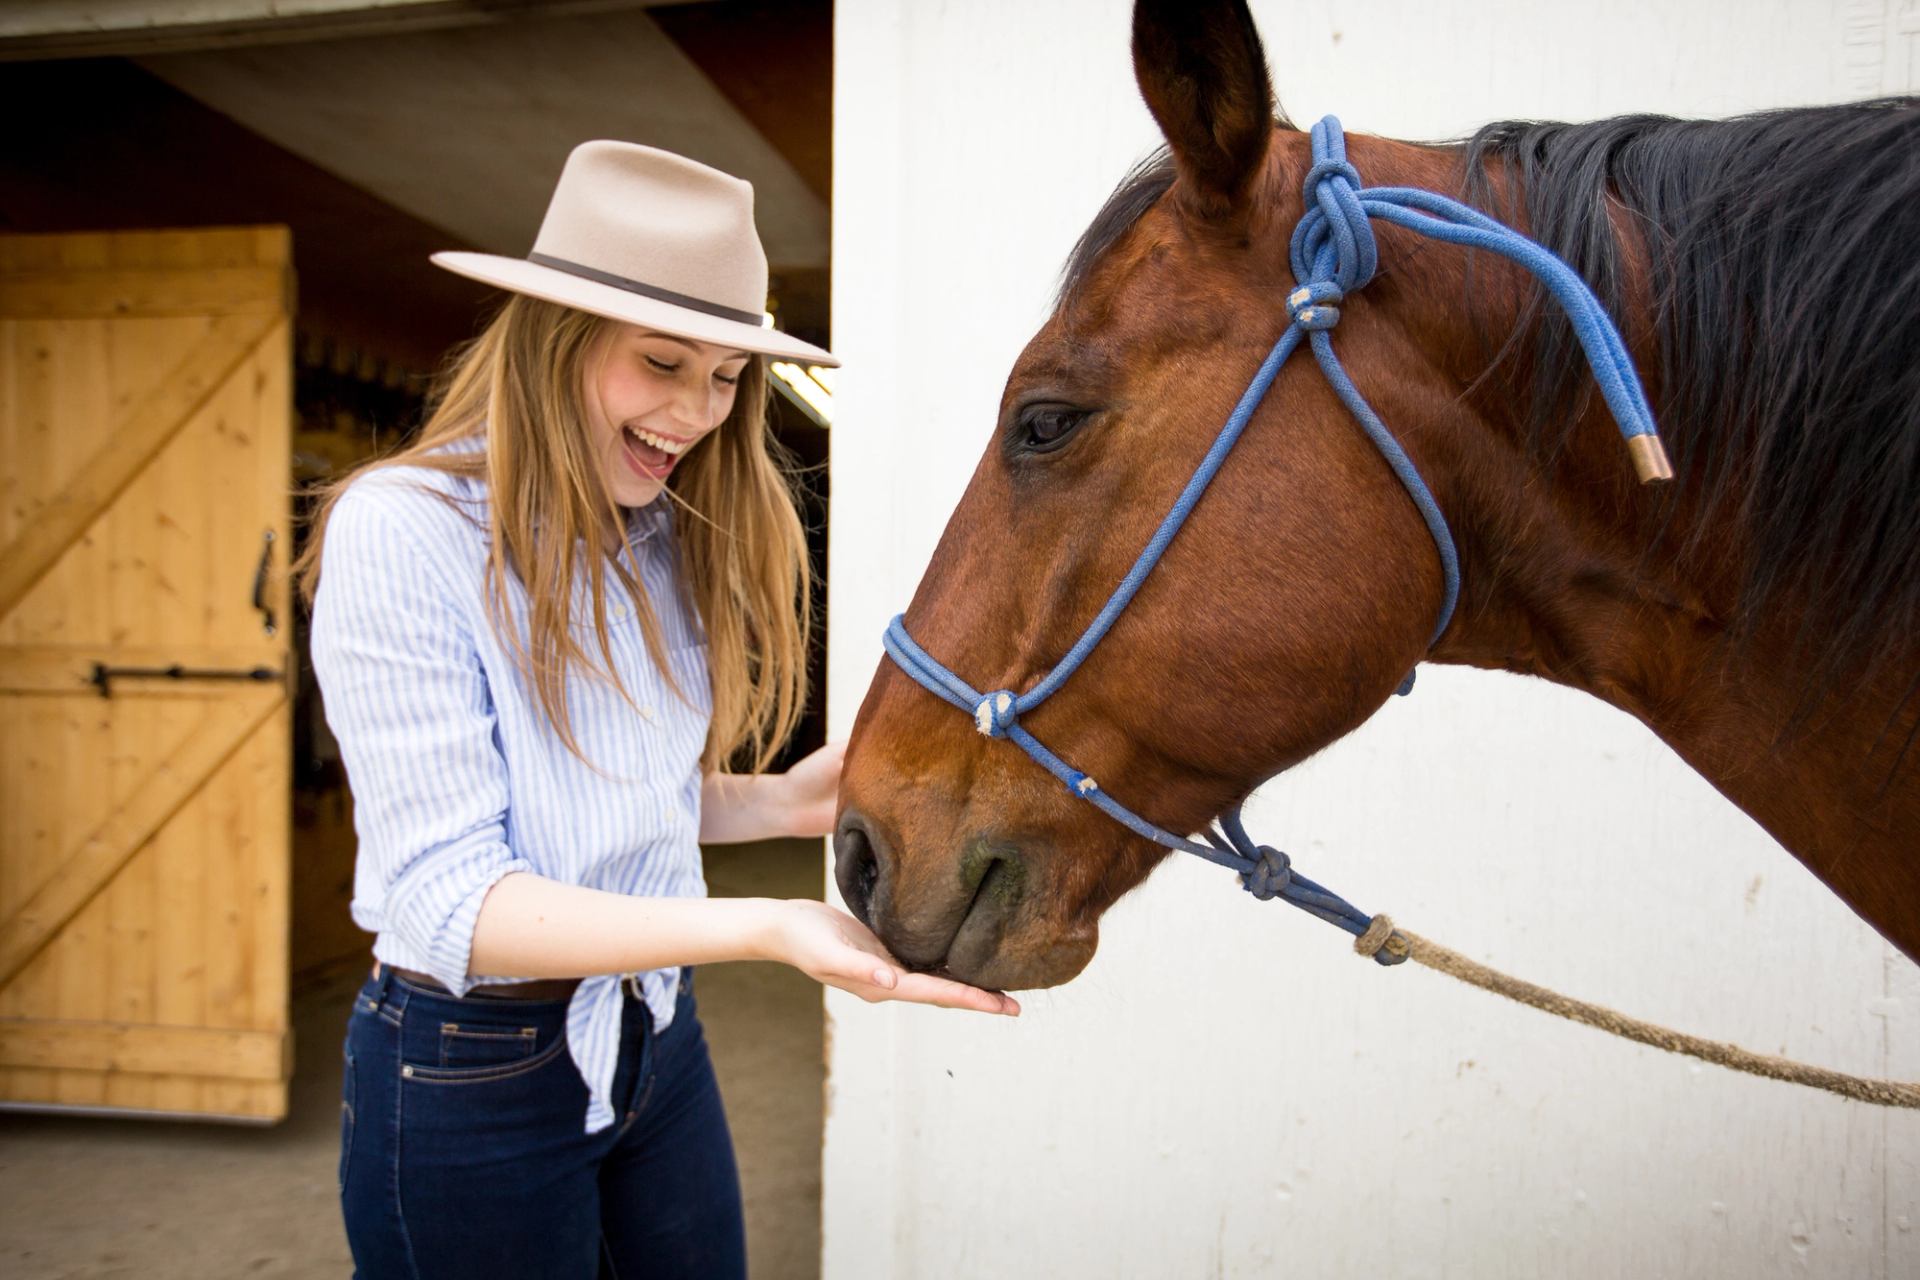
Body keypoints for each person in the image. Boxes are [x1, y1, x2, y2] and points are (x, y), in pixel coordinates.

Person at [299, 140, 1017, 1280]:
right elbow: (454, 898)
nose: (696, 412)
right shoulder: (405, 531)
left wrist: (786, 802)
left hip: (651, 1035)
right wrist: (767, 927)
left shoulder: (657, 534)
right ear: (554, 340)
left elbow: (606, 804)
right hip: (468, 1062)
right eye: (663, 362)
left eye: (729, 376)